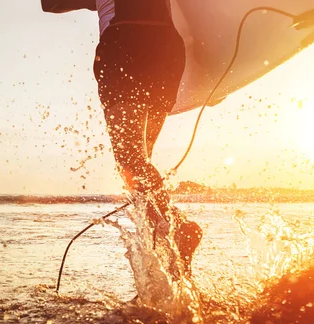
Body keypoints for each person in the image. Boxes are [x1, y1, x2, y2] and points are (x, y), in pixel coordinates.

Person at [42, 0, 202, 274]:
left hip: (125, 43)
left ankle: (180, 227)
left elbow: (51, 3)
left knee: (131, 161)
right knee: (140, 166)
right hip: (166, 48)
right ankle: (173, 274)